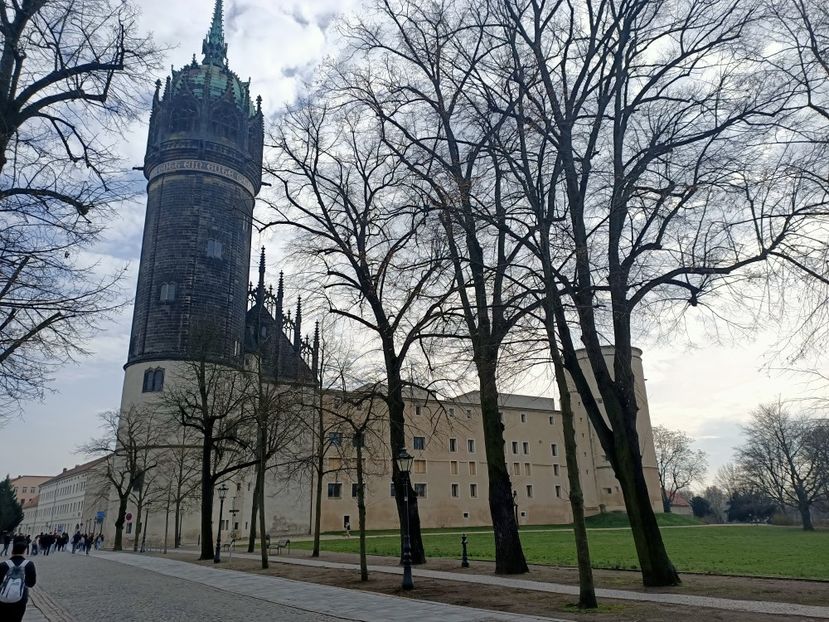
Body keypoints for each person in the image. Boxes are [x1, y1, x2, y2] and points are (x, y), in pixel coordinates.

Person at [0, 536, 37, 622]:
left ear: (12, 551)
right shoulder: (29, 564)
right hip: (20, 598)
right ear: (24, 551)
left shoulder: (3, 564)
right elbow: (31, 583)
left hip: (2, 597)